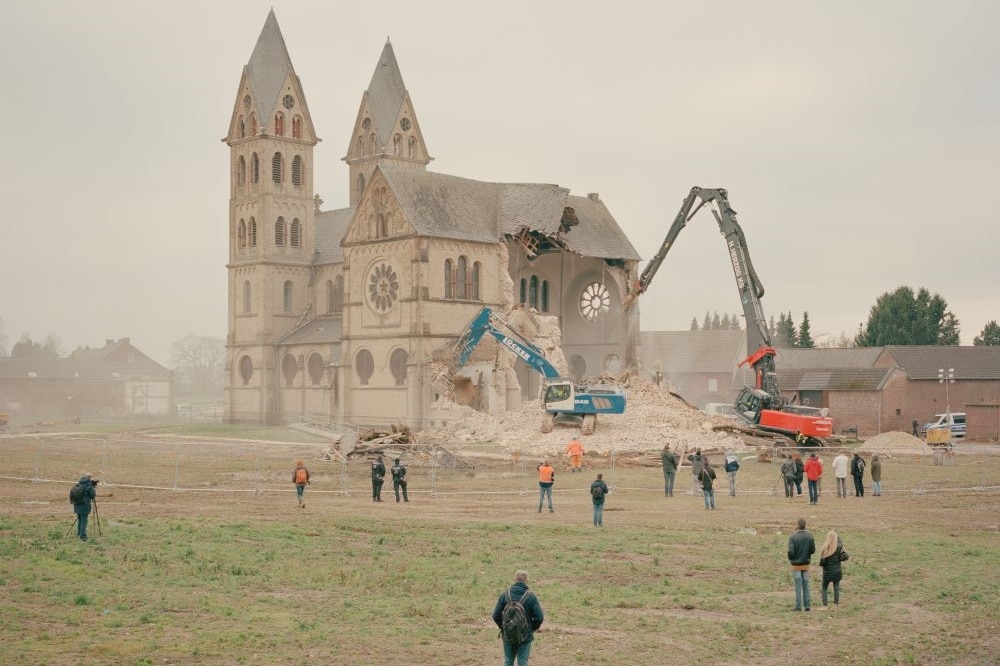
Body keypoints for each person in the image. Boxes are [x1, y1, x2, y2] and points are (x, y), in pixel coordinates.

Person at [492, 570, 544, 666]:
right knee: (522, 662)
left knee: (508, 662)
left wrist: (504, 627)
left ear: (515, 579)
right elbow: (539, 617)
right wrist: (531, 629)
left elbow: (495, 615)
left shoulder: (505, 595)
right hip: (525, 636)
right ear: (527, 580)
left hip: (508, 635)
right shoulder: (531, 597)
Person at [787, 517, 816, 611]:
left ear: (798, 525)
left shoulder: (792, 537)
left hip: (796, 564)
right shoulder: (810, 536)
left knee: (798, 585)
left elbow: (791, 552)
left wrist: (791, 559)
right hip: (806, 563)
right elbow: (813, 550)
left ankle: (798, 606)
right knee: (806, 584)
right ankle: (807, 605)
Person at [818, 530, 847, 609]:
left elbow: (822, 562)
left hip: (827, 573)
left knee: (824, 588)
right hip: (837, 572)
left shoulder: (825, 548)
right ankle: (835, 605)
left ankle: (824, 606)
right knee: (836, 588)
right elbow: (844, 556)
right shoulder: (839, 548)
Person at [70, 473, 98, 541]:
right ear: (89, 478)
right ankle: (83, 536)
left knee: (80, 519)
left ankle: (79, 533)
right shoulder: (89, 486)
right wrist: (93, 488)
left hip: (77, 505)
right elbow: (92, 495)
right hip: (84, 506)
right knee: (84, 521)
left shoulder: (79, 484)